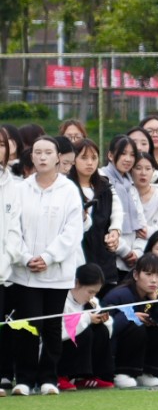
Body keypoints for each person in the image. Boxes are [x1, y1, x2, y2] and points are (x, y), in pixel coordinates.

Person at [8, 137, 87, 395]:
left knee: (53, 326)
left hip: (57, 272)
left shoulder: (69, 190)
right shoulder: (20, 189)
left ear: (58, 158)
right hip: (26, 272)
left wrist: (49, 257)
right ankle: (24, 378)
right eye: (38, 152)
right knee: (29, 324)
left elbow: (72, 232)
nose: (42, 157)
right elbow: (12, 228)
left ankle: (48, 378)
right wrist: (24, 257)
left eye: (48, 153)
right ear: (31, 157)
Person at [103, 252, 158, 388]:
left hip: (142, 349)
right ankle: (122, 372)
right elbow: (106, 327)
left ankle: (146, 372)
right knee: (136, 325)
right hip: (112, 351)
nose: (154, 280)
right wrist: (130, 317)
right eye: (148, 274)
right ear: (136, 275)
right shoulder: (119, 295)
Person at [56, 263, 115, 391]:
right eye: (90, 292)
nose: (91, 296)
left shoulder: (92, 301)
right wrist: (87, 318)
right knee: (85, 331)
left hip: (79, 347)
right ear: (76, 283)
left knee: (101, 330)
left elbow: (109, 331)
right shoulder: (61, 299)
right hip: (56, 350)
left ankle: (86, 376)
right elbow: (58, 333)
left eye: (95, 293)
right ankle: (60, 376)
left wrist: (103, 320)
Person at [70, 139, 119, 276]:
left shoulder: (105, 187)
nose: (90, 163)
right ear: (73, 160)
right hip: (77, 257)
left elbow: (115, 213)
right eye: (84, 158)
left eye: (94, 158)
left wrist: (115, 233)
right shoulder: (67, 187)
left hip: (103, 259)